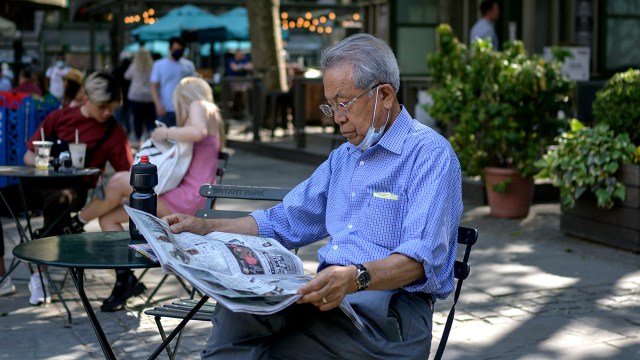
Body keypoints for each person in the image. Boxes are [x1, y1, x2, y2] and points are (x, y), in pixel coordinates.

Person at [164, 33, 463, 359]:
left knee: (275, 352)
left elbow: (420, 262)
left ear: (385, 95)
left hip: (387, 315)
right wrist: (204, 229)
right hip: (330, 301)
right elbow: (282, 220)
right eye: (330, 106)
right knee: (237, 308)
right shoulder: (345, 157)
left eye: (344, 103)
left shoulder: (429, 154)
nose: (337, 119)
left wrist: (353, 278)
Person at [69, 76, 225, 311]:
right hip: (187, 196)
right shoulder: (212, 114)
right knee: (110, 217)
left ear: (185, 97)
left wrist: (166, 133)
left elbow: (197, 131)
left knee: (122, 179)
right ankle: (125, 280)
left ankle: (77, 221)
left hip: (190, 202)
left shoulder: (200, 105)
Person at [23, 71, 133, 305]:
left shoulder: (114, 132)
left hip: (75, 191)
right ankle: (6, 274)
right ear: (86, 99)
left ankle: (39, 271)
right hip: (39, 184)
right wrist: (49, 162)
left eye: (111, 107)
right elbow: (28, 156)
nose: (107, 113)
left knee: (60, 200)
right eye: (102, 106)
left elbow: (127, 175)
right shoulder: (60, 117)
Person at [151, 37, 195, 127]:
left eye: (180, 50)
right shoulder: (159, 65)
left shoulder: (188, 65)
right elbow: (154, 86)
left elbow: (192, 86)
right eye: (176, 50)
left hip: (183, 109)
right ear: (170, 49)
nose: (178, 52)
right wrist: (158, 105)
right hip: (166, 109)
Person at [125, 48, 156, 144]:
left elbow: (126, 76)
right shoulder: (153, 66)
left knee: (137, 119)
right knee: (149, 119)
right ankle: (150, 138)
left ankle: (138, 140)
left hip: (135, 96)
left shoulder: (134, 66)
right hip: (149, 96)